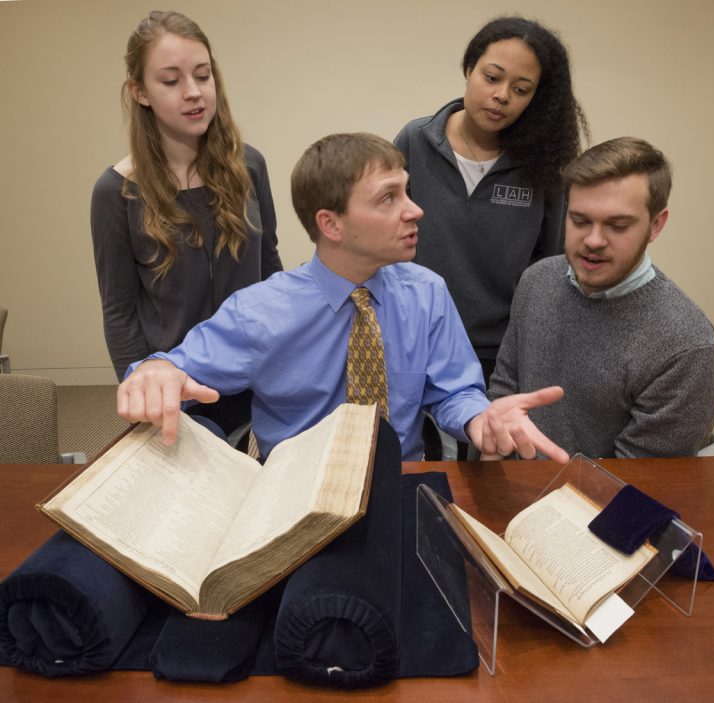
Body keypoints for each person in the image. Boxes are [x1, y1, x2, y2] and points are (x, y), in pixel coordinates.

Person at [116, 133, 569, 464]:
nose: (415, 210)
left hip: (400, 484)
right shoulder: (262, 312)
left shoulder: (426, 293)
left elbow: (454, 392)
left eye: (407, 191)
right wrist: (155, 371)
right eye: (389, 198)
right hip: (296, 497)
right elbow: (172, 368)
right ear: (331, 225)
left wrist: (479, 420)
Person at [91, 11, 282, 438]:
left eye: (203, 75)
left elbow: (270, 268)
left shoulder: (249, 166)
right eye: (171, 81)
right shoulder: (116, 192)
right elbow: (119, 311)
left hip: (257, 377)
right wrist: (143, 391)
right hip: (178, 389)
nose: (194, 93)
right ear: (140, 92)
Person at [487, 137, 714, 458]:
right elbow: (504, 387)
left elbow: (639, 482)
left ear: (656, 225)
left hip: (597, 505)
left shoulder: (685, 344)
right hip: (508, 486)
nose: (593, 241)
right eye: (580, 221)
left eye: (617, 225)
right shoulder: (537, 280)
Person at [394, 16, 588, 385]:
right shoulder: (415, 141)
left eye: (521, 89)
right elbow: (383, 241)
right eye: (492, 77)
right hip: (413, 341)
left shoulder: (544, 165)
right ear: (469, 69)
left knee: (486, 442)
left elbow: (551, 264)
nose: (502, 95)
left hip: (498, 354)